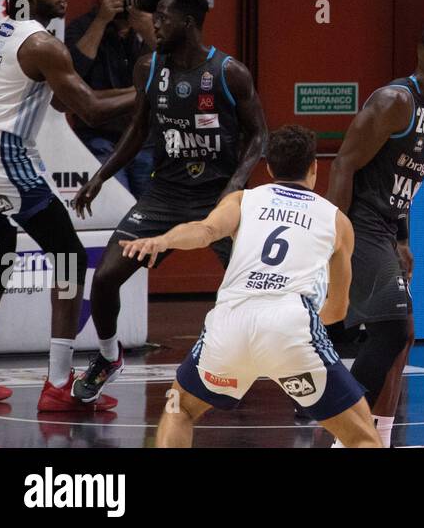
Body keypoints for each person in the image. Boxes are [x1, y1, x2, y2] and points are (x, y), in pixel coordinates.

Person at [122, 125, 379, 448]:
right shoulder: (337, 221)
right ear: (314, 167)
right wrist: (292, 348)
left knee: (180, 409)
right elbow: (338, 309)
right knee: (361, 436)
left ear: (268, 167)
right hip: (291, 326)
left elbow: (203, 232)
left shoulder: (243, 200)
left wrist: (163, 239)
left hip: (231, 322)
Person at [71, 0, 268, 405]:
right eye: (154, 15)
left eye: (163, 16)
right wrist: (101, 176)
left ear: (189, 23)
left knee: (260, 291)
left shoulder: (229, 72)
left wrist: (234, 188)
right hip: (164, 196)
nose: (155, 23)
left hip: (218, 198)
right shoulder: (149, 67)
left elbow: (259, 135)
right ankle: (108, 357)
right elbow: (138, 129)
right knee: (105, 279)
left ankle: (301, 383)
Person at [0, 0, 136, 409]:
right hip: (3, 153)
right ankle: (59, 386)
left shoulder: (10, 28)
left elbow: (71, 101)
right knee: (67, 257)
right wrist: (150, 91)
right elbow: (88, 110)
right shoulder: (43, 44)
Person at [325, 25, 424, 447]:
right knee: (391, 329)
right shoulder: (395, 101)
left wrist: (403, 238)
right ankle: (343, 432)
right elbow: (343, 165)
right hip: (360, 225)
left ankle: (380, 436)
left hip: (387, 227)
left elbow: (403, 183)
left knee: (402, 334)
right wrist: (333, 238)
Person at [64, 0, 157, 197]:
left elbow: (174, 67)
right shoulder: (83, 27)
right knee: (117, 202)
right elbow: (74, 72)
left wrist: (146, 30)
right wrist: (101, 21)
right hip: (99, 138)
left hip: (145, 139)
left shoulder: (153, 27)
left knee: (151, 208)